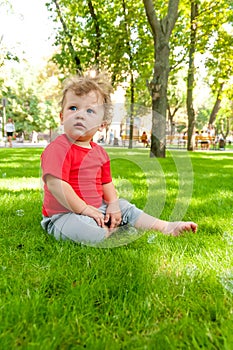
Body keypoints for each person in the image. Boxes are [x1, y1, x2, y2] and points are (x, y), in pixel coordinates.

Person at [40, 72, 197, 244]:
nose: (80, 114)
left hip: (97, 208)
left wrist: (113, 205)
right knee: (89, 231)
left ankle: (166, 226)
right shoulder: (58, 148)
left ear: (102, 124)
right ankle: (109, 229)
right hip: (64, 215)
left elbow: (106, 183)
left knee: (125, 207)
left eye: (90, 110)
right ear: (62, 117)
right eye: (73, 108)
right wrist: (85, 209)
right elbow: (57, 185)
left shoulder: (100, 153)